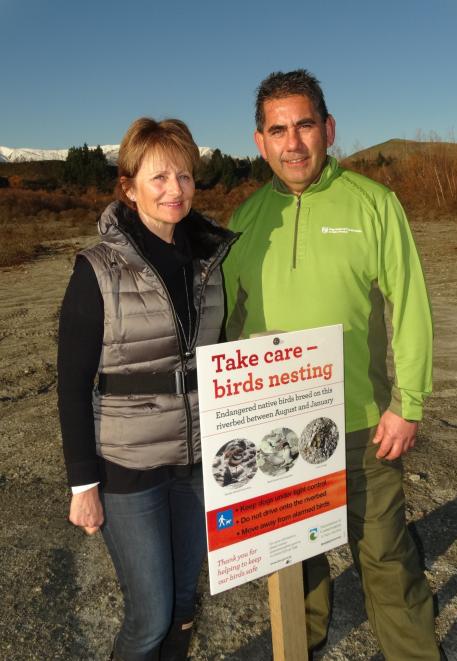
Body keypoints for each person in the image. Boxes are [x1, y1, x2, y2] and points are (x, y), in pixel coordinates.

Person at [222, 70, 441, 660]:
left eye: (305, 125)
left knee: (386, 555)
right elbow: (226, 327)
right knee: (294, 557)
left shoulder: (374, 203)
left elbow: (410, 304)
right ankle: (304, 643)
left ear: (329, 129)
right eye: (278, 130)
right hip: (279, 433)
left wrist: (409, 403)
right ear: (259, 141)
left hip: (365, 426)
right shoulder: (243, 222)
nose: (293, 143)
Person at [58, 117, 236, 661]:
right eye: (158, 177)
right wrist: (82, 486)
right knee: (150, 615)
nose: (174, 190)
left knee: (183, 605)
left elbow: (220, 357)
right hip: (127, 466)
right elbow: (70, 383)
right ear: (129, 186)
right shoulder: (97, 269)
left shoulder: (209, 262)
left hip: (197, 460)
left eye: (184, 175)